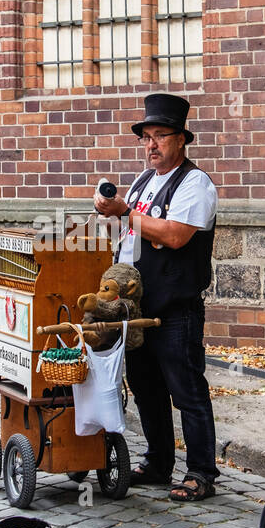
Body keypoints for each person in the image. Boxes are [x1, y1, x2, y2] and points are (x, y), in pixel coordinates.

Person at [93, 93, 220, 502]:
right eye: (145, 137)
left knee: (186, 391)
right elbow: (134, 231)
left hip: (176, 306)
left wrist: (124, 212)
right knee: (146, 387)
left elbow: (174, 235)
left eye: (160, 136)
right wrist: (111, 209)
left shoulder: (195, 183)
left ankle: (201, 472)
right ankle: (160, 461)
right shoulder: (144, 181)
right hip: (139, 306)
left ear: (181, 139)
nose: (151, 145)